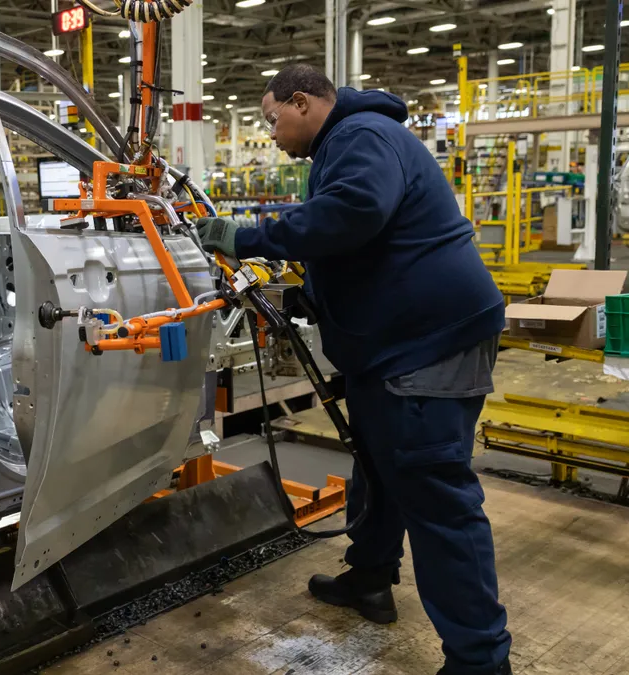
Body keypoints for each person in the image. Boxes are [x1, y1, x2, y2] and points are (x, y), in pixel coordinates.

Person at [195, 64, 511, 675]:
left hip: (429, 343)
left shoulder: (359, 134)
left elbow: (355, 212)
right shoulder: (350, 141)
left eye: (272, 118)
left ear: (303, 102)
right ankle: (369, 577)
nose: (272, 132)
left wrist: (249, 236)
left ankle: (480, 660)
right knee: (375, 462)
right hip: (392, 345)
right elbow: (361, 239)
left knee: (435, 494)